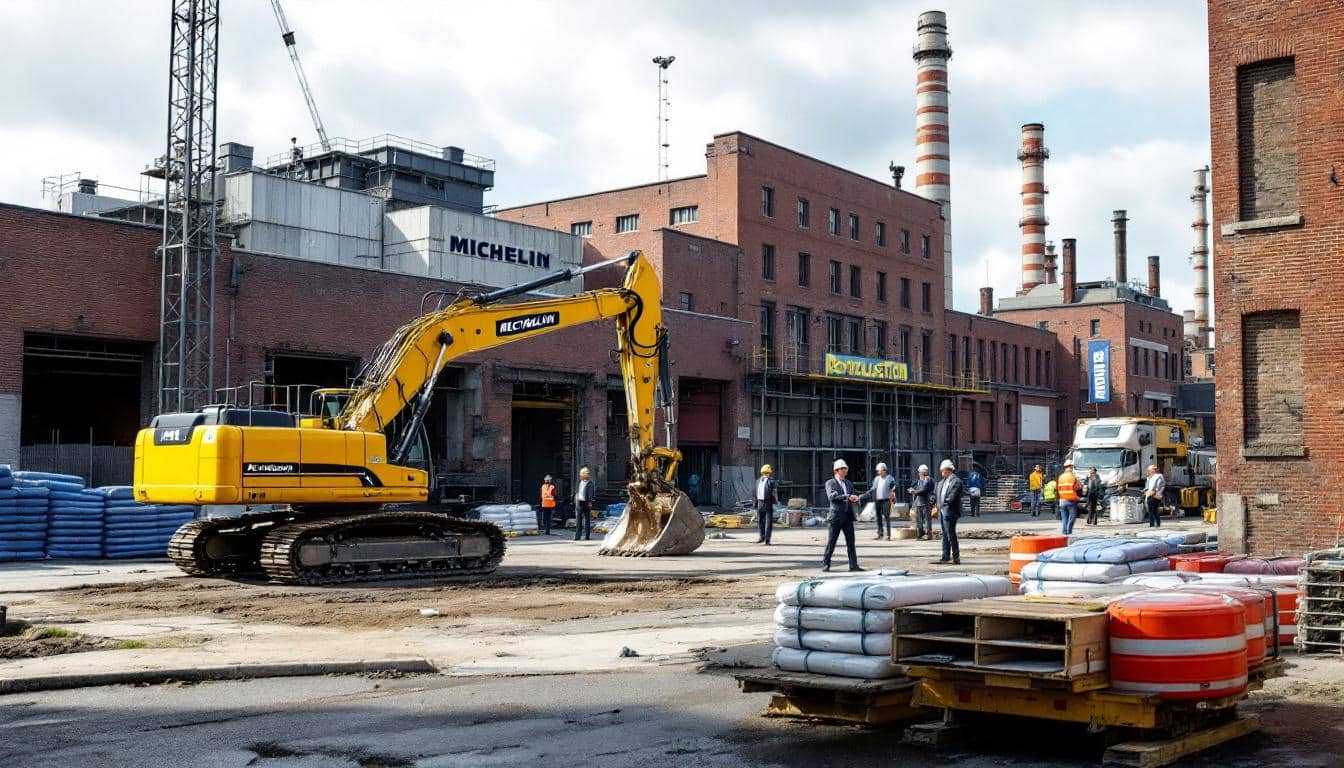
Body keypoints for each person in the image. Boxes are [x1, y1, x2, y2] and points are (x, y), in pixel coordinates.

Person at [823, 459, 869, 572]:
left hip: (848, 516)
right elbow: (832, 497)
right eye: (843, 469)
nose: (845, 471)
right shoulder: (830, 483)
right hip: (836, 517)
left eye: (846, 469)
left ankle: (853, 565)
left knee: (851, 542)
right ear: (836, 470)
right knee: (832, 542)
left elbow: (852, 494)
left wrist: (856, 497)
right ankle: (826, 564)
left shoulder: (848, 483)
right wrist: (847, 496)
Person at [931, 459, 964, 565]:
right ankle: (945, 557)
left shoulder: (956, 481)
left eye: (943, 470)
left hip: (950, 511)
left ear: (948, 470)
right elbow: (936, 494)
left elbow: (952, 496)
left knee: (951, 535)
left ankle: (956, 558)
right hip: (942, 511)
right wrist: (934, 504)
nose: (941, 472)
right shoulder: (941, 482)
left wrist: (944, 503)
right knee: (945, 535)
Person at [907, 465, 935, 540]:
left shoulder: (928, 480)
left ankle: (928, 534)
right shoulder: (918, 481)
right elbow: (913, 488)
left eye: (923, 472)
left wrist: (914, 491)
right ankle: (920, 534)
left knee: (927, 519)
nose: (921, 474)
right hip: (919, 502)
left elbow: (924, 490)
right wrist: (911, 490)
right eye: (921, 472)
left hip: (926, 502)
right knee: (919, 519)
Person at [871, 462, 897, 540]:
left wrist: (893, 497)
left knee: (886, 516)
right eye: (878, 471)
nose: (878, 472)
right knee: (878, 517)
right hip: (877, 500)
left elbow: (894, 487)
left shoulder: (890, 478)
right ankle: (880, 534)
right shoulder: (876, 479)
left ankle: (888, 535)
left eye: (880, 471)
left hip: (886, 500)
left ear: (884, 470)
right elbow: (873, 488)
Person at [754, 464, 778, 545]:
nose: (766, 474)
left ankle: (766, 539)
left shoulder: (771, 481)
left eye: (766, 473)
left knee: (767, 522)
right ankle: (762, 537)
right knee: (761, 521)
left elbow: (774, 493)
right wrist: (755, 504)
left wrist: (774, 503)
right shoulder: (758, 481)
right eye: (765, 473)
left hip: (767, 502)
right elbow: (755, 493)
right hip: (761, 503)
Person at [1056, 460, 1080, 535]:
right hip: (1071, 500)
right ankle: (1069, 532)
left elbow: (1058, 488)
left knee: (1064, 518)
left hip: (1062, 500)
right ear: (1071, 467)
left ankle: (1064, 532)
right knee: (1072, 517)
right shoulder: (1073, 476)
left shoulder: (1061, 477)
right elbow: (1077, 487)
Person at [574, 467, 593, 541]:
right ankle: (577, 536)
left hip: (586, 503)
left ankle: (587, 536)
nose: (580, 476)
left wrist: (590, 502)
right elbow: (577, 492)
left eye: (581, 475)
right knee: (578, 520)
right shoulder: (580, 482)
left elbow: (590, 494)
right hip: (579, 502)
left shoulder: (590, 483)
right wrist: (575, 500)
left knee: (587, 519)